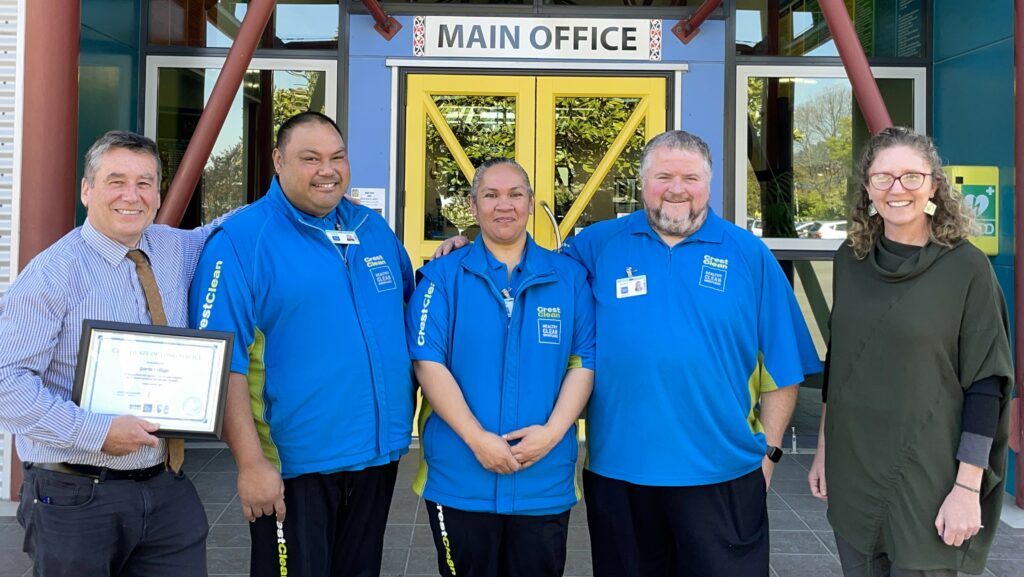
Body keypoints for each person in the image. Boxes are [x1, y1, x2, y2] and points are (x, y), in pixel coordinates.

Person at [436, 130, 822, 576]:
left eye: (690, 177)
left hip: (723, 474)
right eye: (663, 176)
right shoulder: (596, 246)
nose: (677, 188)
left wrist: (769, 455)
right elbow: (527, 267)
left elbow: (784, 367)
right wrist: (466, 245)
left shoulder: (748, 254)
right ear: (642, 183)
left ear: (709, 184)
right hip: (620, 476)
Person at [189, 111, 415, 577]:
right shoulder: (241, 241)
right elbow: (220, 361)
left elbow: (408, 318)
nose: (327, 170)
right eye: (310, 158)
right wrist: (250, 463)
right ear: (278, 160)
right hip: (294, 467)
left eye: (337, 157)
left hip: (377, 456)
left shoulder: (374, 231)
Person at [0, 131, 210, 576]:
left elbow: (233, 230)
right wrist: (95, 432)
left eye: (145, 182)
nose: (131, 196)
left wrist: (309, 190)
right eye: (116, 181)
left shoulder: (174, 248)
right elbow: (6, 383)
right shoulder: (51, 275)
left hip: (164, 487)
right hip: (75, 496)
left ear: (157, 193)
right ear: (87, 190)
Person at [807, 126, 1012, 577]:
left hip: (930, 473)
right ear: (867, 188)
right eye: (883, 177)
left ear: (934, 184)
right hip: (855, 465)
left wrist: (967, 486)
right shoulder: (850, 260)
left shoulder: (966, 268)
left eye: (911, 177)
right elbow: (839, 359)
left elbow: (986, 382)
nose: (897, 190)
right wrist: (824, 447)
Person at [408, 159, 595, 577]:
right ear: (473, 206)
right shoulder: (441, 276)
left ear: (530, 203)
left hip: (542, 478)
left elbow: (585, 362)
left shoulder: (569, 278)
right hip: (461, 479)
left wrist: (551, 434)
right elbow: (427, 361)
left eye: (515, 194)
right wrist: (477, 440)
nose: (503, 205)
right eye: (491, 195)